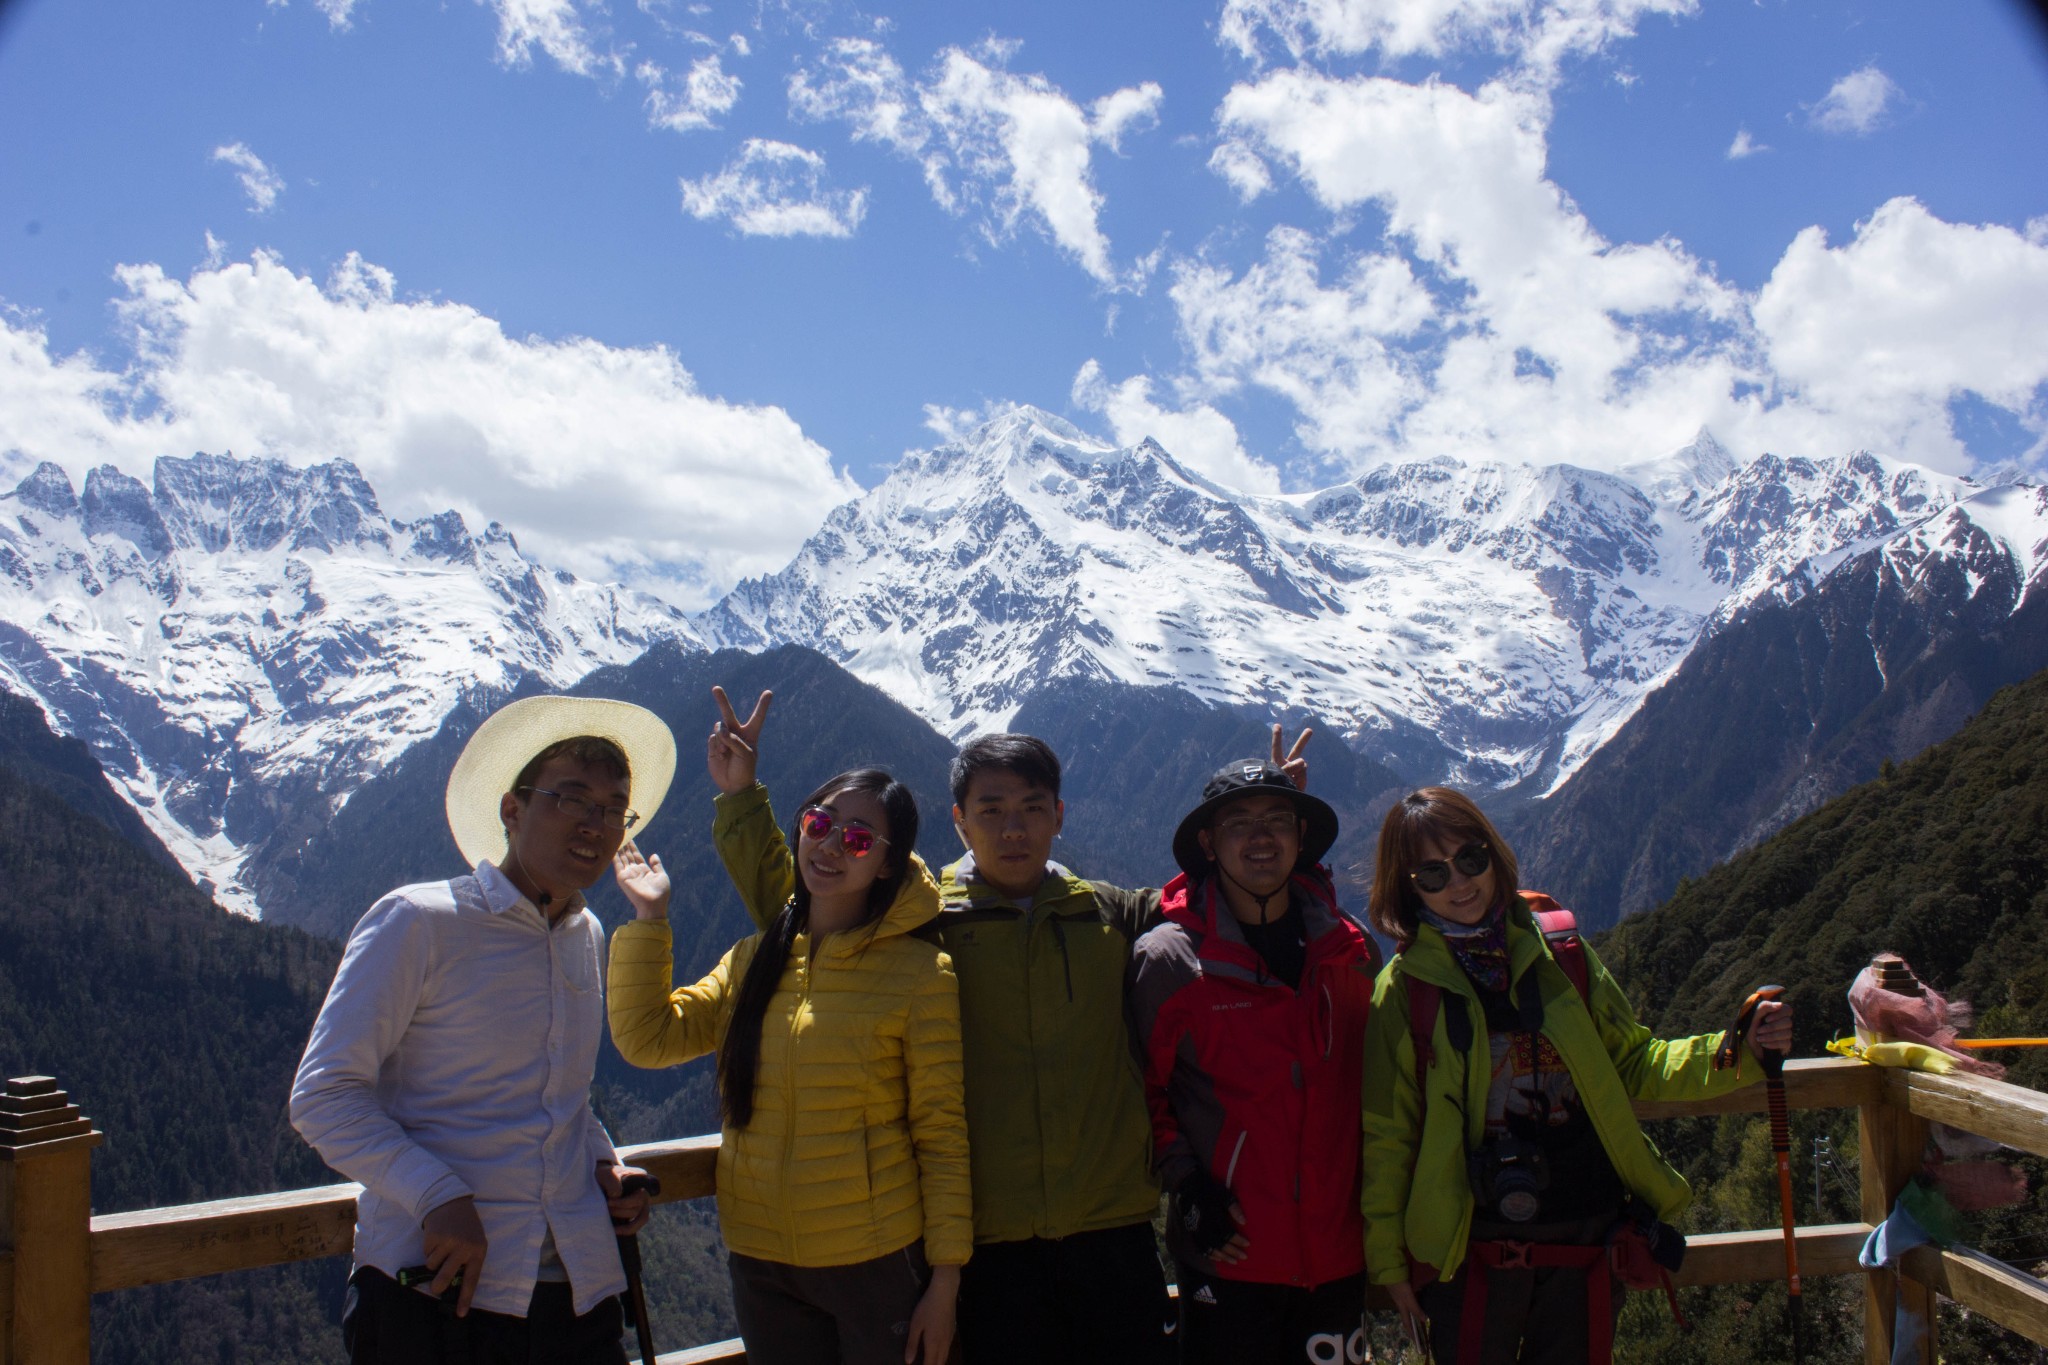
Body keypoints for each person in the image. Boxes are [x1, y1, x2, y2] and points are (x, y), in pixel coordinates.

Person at [707, 689, 1310, 1363]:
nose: (1012, 828)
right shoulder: (925, 925)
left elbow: (1219, 902)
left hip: (1111, 1230)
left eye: (1030, 808)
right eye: (991, 811)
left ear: (1059, 816)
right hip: (990, 1245)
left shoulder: (1109, 916)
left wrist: (1270, 826)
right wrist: (739, 798)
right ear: (961, 823)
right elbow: (809, 897)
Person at [291, 695, 673, 1364]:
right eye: (574, 799)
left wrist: (603, 1162)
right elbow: (323, 1095)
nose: (598, 822)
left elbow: (562, 1098)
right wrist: (437, 1193)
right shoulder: (419, 920)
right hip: (435, 1294)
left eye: (615, 808)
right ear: (512, 808)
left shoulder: (586, 935)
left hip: (575, 1293)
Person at [1361, 787, 1796, 1365]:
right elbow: (1388, 1137)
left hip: (1587, 1240)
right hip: (1469, 1250)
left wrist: (1735, 1052)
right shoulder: (1403, 991)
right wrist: (1390, 1266)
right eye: (1433, 874)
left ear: (1492, 855)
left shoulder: (1562, 954)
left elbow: (1635, 1061)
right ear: (1407, 886)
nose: (1459, 884)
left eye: (1470, 859)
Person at [606, 762, 969, 1365]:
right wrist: (650, 919)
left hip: (875, 1259)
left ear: (886, 863)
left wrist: (946, 1282)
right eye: (818, 822)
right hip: (762, 1260)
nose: (828, 846)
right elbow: (648, 1039)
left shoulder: (920, 975)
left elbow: (942, 1134)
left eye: (856, 839)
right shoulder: (755, 957)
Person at [1129, 758, 1379, 1365]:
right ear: (1209, 845)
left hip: (1340, 1255)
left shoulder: (1350, 951)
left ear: (1301, 839)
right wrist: (1187, 1184)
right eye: (1239, 823)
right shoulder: (1168, 964)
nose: (1261, 837)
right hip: (1229, 1253)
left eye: (1277, 820)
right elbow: (1143, 1090)